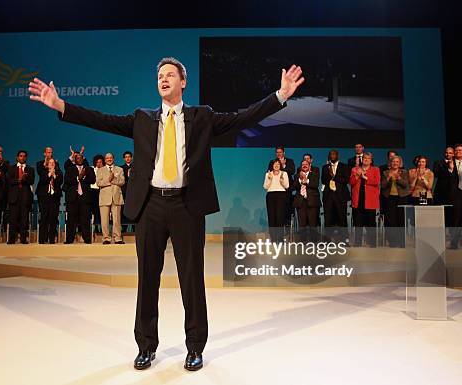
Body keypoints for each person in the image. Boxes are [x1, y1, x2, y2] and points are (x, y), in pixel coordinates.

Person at [29, 57, 304, 371]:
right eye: (160, 75)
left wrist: (279, 96)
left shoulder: (202, 116)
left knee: (191, 279)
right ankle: (146, 346)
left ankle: (195, 347)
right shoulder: (142, 118)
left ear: (182, 82)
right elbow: (101, 119)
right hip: (151, 205)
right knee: (148, 279)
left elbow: (243, 118)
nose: (164, 79)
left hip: (187, 205)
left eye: (170, 75)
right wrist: (60, 105)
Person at [63, 152, 96, 244]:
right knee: (71, 219)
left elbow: (93, 180)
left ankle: (87, 239)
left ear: (83, 159)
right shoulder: (70, 169)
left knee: (85, 219)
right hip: (73, 198)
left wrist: (83, 178)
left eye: (81, 158)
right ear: (75, 160)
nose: (79, 159)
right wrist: (78, 178)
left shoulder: (89, 169)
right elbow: (67, 180)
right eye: (77, 158)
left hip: (85, 198)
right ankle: (69, 239)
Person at [349, 152, 380, 247]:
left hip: (369, 201)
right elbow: (351, 183)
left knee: (371, 223)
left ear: (371, 160)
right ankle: (357, 243)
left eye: (368, 158)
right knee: (358, 223)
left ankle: (372, 243)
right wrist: (357, 176)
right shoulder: (355, 169)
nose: (366, 159)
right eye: (364, 158)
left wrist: (365, 177)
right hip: (358, 200)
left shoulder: (375, 169)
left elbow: (376, 181)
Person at [6, 150, 35, 244]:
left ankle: (23, 239)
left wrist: (24, 178)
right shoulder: (11, 168)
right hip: (14, 197)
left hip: (25, 197)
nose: (22, 157)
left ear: (26, 158)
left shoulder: (30, 169)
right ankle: (11, 239)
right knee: (13, 219)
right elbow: (9, 181)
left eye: (24, 156)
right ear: (17, 157)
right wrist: (19, 180)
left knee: (24, 220)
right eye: (21, 156)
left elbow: (31, 181)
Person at [380, 155, 410, 247]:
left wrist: (399, 178)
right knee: (390, 221)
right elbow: (383, 186)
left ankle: (401, 242)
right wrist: (388, 178)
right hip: (389, 198)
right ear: (390, 163)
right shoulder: (385, 173)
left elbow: (406, 185)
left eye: (397, 161)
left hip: (401, 198)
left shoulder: (404, 172)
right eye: (393, 161)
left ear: (400, 163)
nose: (395, 163)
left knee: (401, 220)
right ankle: (392, 242)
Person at [96, 153, 126, 244]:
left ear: (113, 159)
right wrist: (109, 180)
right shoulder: (100, 170)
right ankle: (106, 238)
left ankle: (117, 238)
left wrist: (114, 180)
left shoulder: (119, 169)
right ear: (105, 160)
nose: (109, 159)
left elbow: (122, 181)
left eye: (110, 158)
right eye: (107, 158)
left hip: (116, 197)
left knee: (117, 220)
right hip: (105, 197)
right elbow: (99, 183)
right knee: (104, 220)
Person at [321, 149, 350, 241]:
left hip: (340, 196)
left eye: (334, 154)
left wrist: (334, 176)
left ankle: (344, 239)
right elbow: (323, 180)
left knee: (342, 218)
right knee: (328, 218)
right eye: (331, 154)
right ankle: (327, 240)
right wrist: (329, 176)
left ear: (337, 156)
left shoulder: (344, 166)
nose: (332, 156)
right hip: (328, 196)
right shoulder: (325, 167)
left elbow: (346, 180)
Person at [37, 157, 63, 244]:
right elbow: (43, 181)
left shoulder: (59, 173)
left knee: (53, 219)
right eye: (50, 163)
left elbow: (60, 182)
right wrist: (49, 174)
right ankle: (42, 239)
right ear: (47, 165)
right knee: (44, 219)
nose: (51, 164)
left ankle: (51, 239)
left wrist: (54, 175)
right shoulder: (43, 172)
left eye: (53, 163)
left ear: (55, 165)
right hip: (44, 198)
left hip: (54, 198)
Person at [292, 160, 320, 241]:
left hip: (312, 202)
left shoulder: (314, 174)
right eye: (303, 164)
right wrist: (300, 180)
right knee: (302, 225)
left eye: (306, 164)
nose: (304, 166)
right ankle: (303, 243)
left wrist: (306, 180)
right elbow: (293, 187)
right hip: (300, 202)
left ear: (309, 166)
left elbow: (315, 184)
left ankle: (313, 243)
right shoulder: (297, 176)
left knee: (312, 224)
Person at [263, 158, 289, 241]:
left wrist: (282, 182)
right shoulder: (268, 174)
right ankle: (273, 238)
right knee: (272, 217)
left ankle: (280, 238)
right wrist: (270, 179)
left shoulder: (284, 173)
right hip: (270, 195)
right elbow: (265, 187)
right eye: (275, 164)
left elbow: (287, 186)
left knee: (280, 217)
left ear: (280, 165)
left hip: (281, 195)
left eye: (278, 163)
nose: (276, 165)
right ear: (272, 165)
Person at [433, 146, 455, 225]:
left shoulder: (457, 163)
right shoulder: (438, 163)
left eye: (450, 153)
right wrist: (449, 168)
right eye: (446, 152)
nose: (448, 154)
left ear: (453, 154)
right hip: (441, 192)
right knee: (440, 214)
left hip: (453, 192)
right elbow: (436, 174)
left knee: (452, 214)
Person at [90, 154, 105, 234]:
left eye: (100, 162)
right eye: (97, 162)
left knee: (102, 210)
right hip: (93, 191)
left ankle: (102, 227)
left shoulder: (105, 170)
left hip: (102, 191)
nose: (99, 164)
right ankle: (95, 227)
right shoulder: (92, 169)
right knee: (95, 210)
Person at [121, 150, 135, 232]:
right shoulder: (121, 168)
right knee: (124, 209)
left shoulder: (136, 166)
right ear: (124, 159)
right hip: (124, 191)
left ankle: (134, 229)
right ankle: (124, 229)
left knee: (134, 209)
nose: (128, 158)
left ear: (132, 158)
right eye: (126, 157)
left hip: (134, 192)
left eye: (129, 157)